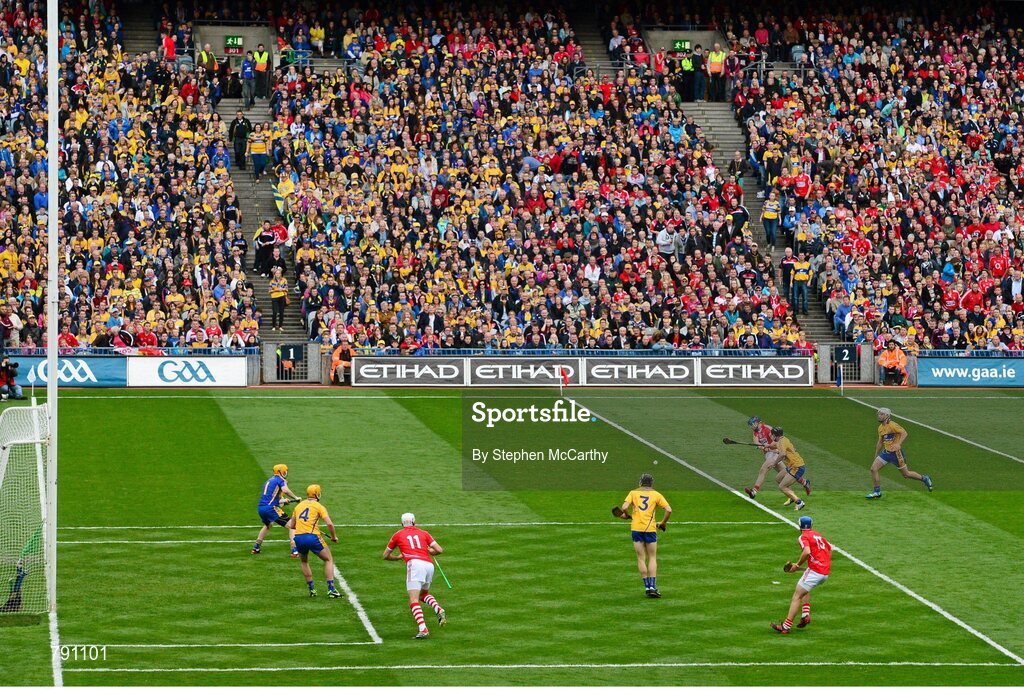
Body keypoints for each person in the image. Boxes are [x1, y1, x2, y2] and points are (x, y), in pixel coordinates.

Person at [383, 513, 447, 639]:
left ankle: (423, 629)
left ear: (402, 524)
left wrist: (397, 558)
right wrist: (429, 550)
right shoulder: (424, 533)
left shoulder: (397, 535)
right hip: (429, 565)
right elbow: (439, 550)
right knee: (423, 595)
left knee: (413, 600)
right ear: (414, 522)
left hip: (415, 565)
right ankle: (438, 608)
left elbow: (385, 555)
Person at [771, 515, 831, 634]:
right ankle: (805, 615)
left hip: (816, 571)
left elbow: (807, 552)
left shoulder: (803, 536)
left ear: (799, 526)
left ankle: (786, 627)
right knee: (805, 587)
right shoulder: (818, 535)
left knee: (797, 595)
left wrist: (797, 565)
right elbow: (829, 549)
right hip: (825, 572)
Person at [616, 473, 672, 598]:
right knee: (652, 557)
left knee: (641, 558)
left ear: (640, 482)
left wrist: (626, 515)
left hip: (636, 529)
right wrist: (663, 523)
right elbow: (669, 510)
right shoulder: (656, 495)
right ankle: (653, 587)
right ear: (651, 484)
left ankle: (647, 587)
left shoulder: (633, 493)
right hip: (650, 529)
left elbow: (624, 506)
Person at [866, 408, 933, 499]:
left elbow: (904, 433)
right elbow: (880, 442)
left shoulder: (892, 425)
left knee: (906, 474)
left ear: (887, 416)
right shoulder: (880, 428)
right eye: (879, 414)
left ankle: (924, 478)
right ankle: (877, 492)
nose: (879, 416)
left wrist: (898, 444)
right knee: (873, 469)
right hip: (886, 453)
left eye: (881, 414)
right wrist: (876, 454)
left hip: (896, 454)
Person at [287, 484, 340, 598]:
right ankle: (331, 589)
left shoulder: (299, 506)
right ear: (317, 494)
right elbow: (330, 524)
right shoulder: (319, 506)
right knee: (328, 559)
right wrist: (333, 537)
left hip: (298, 538)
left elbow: (292, 525)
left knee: (304, 562)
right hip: (312, 537)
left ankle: (312, 590)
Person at [252, 464, 301, 555]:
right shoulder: (280, 480)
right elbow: (285, 490)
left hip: (261, 508)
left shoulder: (269, 481)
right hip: (271, 508)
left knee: (268, 525)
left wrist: (283, 501)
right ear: (282, 472)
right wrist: (296, 497)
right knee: (292, 525)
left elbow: (272, 499)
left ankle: (256, 547)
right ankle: (294, 550)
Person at [767, 427, 808, 510]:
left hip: (797, 467)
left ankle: (799, 502)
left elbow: (782, 454)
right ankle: (791, 496)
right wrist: (768, 446)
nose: (771, 436)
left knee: (782, 487)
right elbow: (775, 446)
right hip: (792, 465)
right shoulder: (783, 439)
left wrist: (774, 464)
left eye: (772, 434)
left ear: (775, 435)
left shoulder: (781, 442)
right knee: (778, 478)